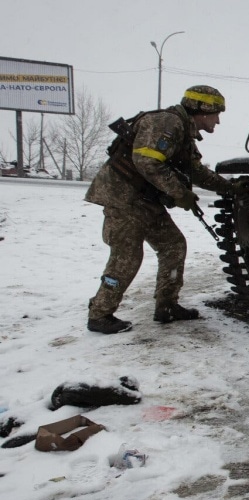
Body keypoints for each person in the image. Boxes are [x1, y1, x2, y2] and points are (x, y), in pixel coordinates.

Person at [84, 85, 236, 334]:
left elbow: (196, 171)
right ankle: (100, 314)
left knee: (173, 245)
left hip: (145, 201)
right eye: (216, 114)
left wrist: (230, 188)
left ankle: (167, 305)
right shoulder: (167, 123)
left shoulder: (182, 132)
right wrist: (180, 194)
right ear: (202, 111)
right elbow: (147, 162)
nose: (218, 121)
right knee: (127, 256)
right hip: (125, 199)